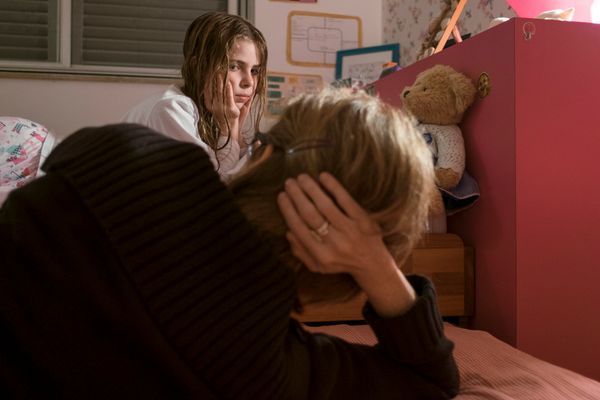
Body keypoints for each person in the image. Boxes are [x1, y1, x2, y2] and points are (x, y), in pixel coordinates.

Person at [0, 88, 459, 399]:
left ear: (261, 152)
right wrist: (375, 265)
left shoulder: (124, 153)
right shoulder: (267, 372)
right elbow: (433, 383)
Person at [122, 11, 268, 178]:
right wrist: (229, 129)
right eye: (234, 66)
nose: (249, 82)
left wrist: (238, 136)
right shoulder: (170, 109)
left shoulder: (209, 114)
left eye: (254, 70)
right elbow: (211, 185)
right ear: (199, 67)